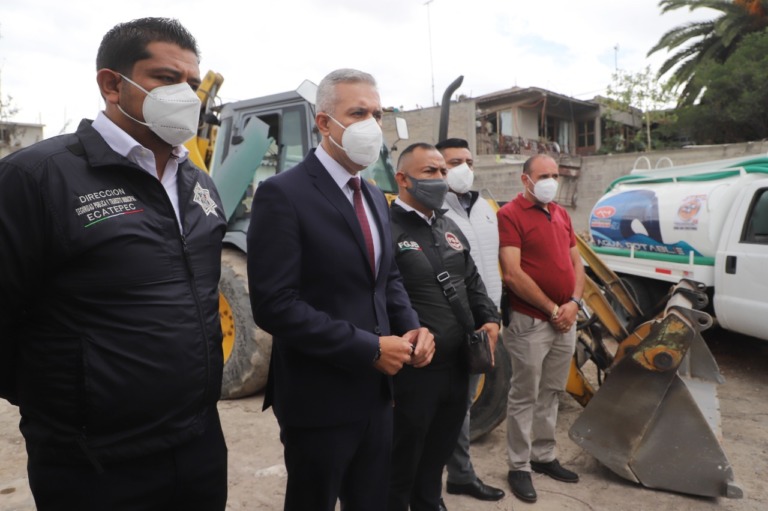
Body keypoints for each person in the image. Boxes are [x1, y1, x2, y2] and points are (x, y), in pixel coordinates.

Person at [0, 17, 228, 511]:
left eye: (191, 83)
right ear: (111, 84)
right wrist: (66, 406)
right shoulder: (37, 177)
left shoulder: (200, 185)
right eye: (166, 79)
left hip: (199, 444)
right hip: (93, 462)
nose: (187, 95)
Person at [246, 69, 435, 511]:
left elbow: (386, 279)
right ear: (324, 123)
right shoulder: (282, 194)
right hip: (319, 399)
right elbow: (275, 305)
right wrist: (369, 348)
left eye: (378, 114)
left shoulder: (372, 195)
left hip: (378, 394)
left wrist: (412, 329)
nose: (372, 124)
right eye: (358, 112)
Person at [388, 142, 501, 511]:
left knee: (438, 452)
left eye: (442, 171)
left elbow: (472, 282)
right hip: (414, 372)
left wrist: (490, 319)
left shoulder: (448, 226)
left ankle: (430, 502)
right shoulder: (385, 229)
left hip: (459, 367)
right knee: (403, 456)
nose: (441, 179)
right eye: (430, 172)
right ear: (403, 179)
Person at [496, 154, 585, 503]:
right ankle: (519, 466)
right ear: (525, 180)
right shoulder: (510, 216)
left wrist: (574, 304)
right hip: (531, 321)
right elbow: (512, 273)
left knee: (551, 392)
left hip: (566, 319)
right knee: (524, 394)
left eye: (555, 175)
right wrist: (551, 309)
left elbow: (576, 262)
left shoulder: (561, 213)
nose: (551, 180)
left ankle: (544, 456)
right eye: (543, 175)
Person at [436, 138, 505, 502]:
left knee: (461, 405)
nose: (464, 168)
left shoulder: (484, 208)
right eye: (453, 162)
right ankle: (431, 482)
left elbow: (488, 265)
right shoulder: (433, 210)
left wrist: (494, 313)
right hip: (449, 324)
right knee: (443, 407)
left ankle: (460, 475)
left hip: (485, 322)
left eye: (468, 160)